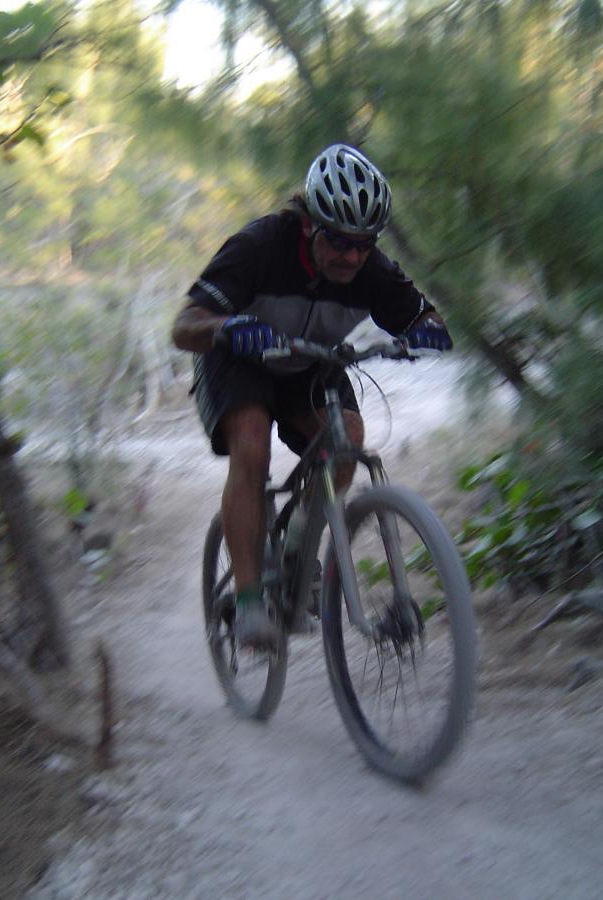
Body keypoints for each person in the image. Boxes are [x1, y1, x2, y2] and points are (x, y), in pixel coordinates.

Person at [172, 143, 452, 650]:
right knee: (251, 445)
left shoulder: (369, 269)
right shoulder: (258, 247)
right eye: (340, 241)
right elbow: (184, 325)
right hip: (238, 362)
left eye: (364, 244)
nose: (353, 256)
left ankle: (300, 550)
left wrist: (427, 331)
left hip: (308, 364)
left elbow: (423, 316)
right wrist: (227, 327)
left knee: (348, 443)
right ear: (308, 224)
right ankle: (250, 600)